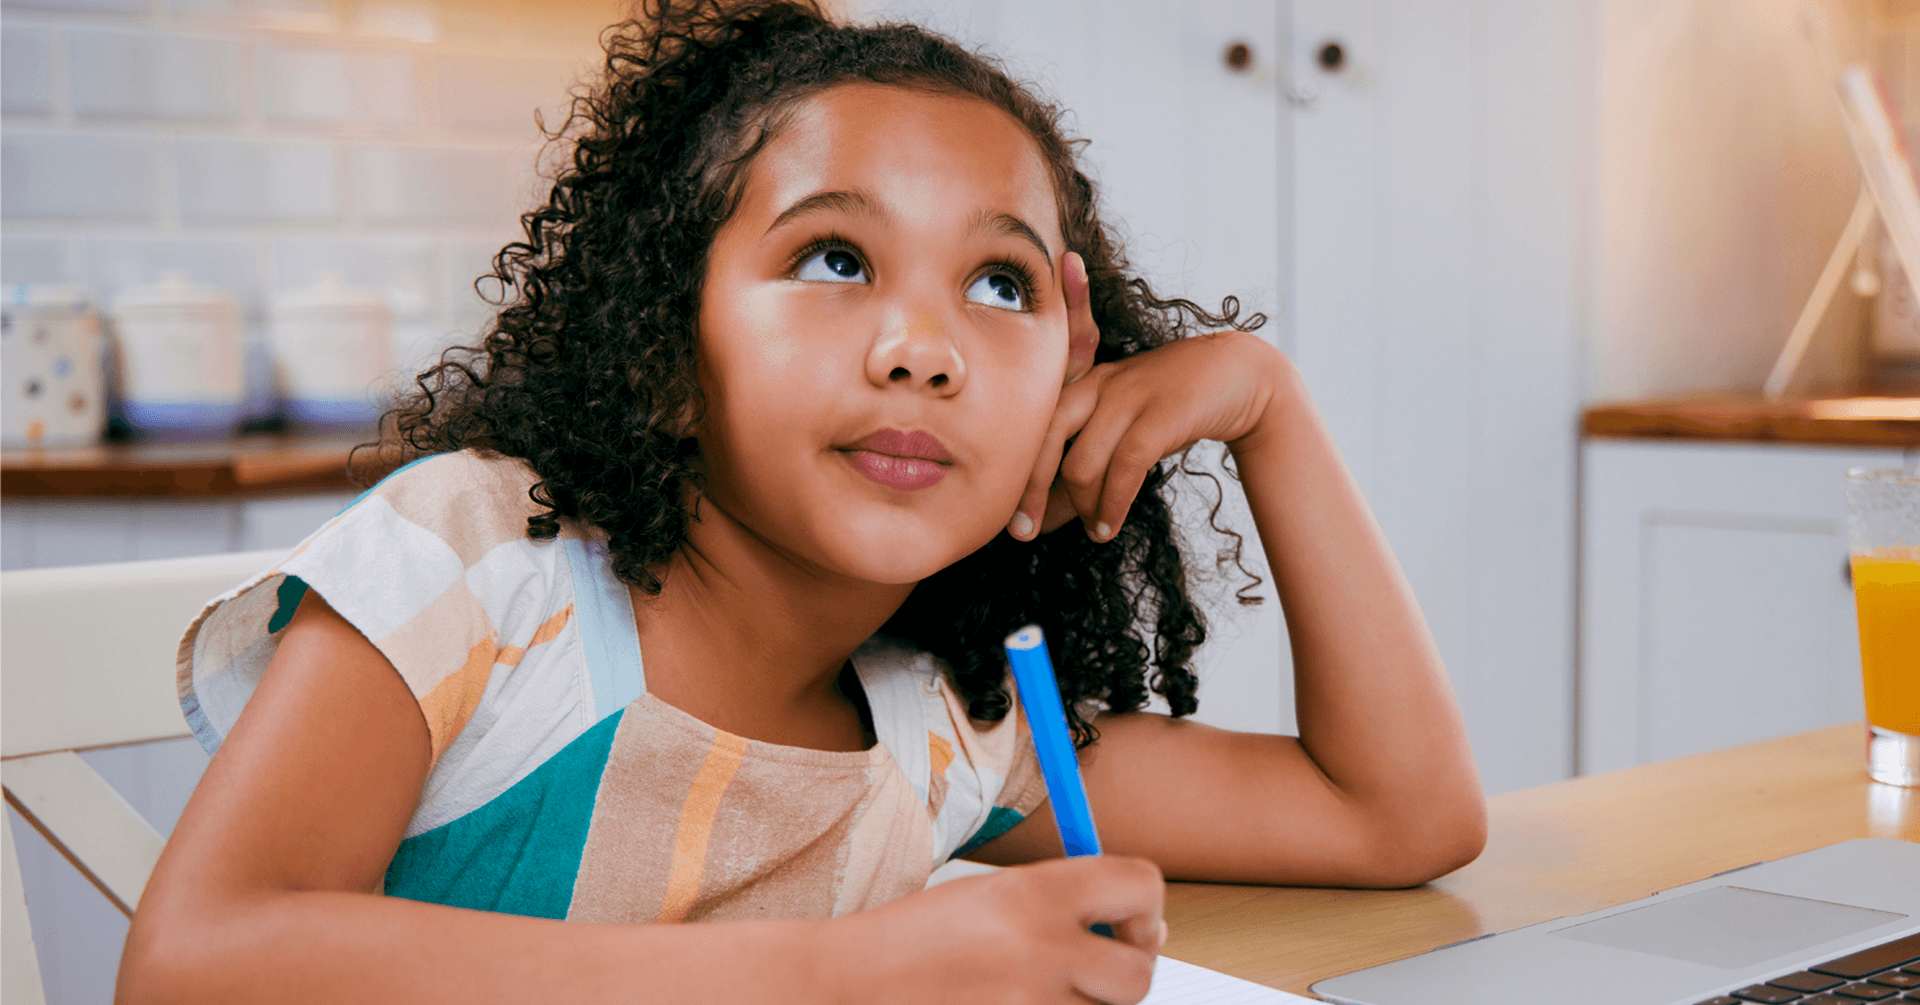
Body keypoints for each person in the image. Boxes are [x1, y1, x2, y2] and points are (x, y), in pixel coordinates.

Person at [119, 2, 1486, 1002]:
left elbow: (1397, 819)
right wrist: (842, 972)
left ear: (1065, 387)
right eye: (834, 256)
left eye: (1000, 286)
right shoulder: (483, 573)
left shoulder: (946, 728)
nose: (923, 346)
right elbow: (192, 963)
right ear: (667, 349)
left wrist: (1268, 407)